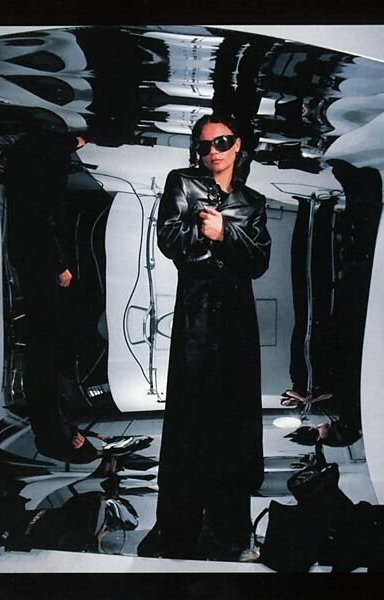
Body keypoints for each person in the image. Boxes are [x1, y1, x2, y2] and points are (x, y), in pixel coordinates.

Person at [144, 113, 271, 560]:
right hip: (196, 321)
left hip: (238, 324)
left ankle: (231, 531)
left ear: (237, 145)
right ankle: (177, 530)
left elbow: (258, 262)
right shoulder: (181, 183)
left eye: (221, 142)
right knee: (188, 421)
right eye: (204, 145)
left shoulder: (254, 203)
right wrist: (213, 244)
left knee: (233, 424)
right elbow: (169, 239)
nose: (212, 152)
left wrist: (224, 233)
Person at [4, 128, 96, 462]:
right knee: (43, 339)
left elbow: (45, 218)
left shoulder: (34, 168)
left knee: (44, 337)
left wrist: (59, 265)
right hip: (33, 256)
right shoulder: (36, 169)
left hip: (36, 256)